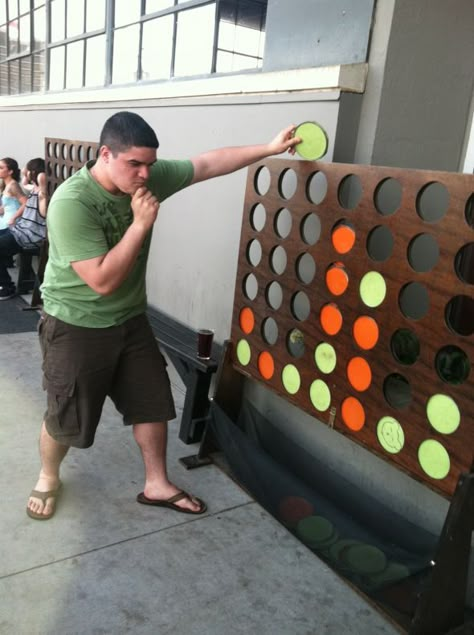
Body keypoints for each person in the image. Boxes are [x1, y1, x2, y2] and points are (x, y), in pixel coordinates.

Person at [26, 111, 301, 520]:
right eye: (133, 164)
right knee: (68, 418)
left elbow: (207, 164)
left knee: (152, 402)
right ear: (106, 154)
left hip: (131, 320)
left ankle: (156, 483)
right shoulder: (72, 203)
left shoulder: (147, 176)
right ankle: (49, 476)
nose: (143, 174)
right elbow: (102, 281)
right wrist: (139, 225)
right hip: (76, 324)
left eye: (150, 165)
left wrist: (269, 148)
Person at [0, 157, 47, 299]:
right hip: (20, 230)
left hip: (29, 236)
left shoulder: (42, 194)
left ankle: (7, 287)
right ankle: (6, 284)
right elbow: (25, 183)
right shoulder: (34, 189)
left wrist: (40, 177)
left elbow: (42, 192)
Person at [0, 157, 28, 232]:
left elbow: (26, 203)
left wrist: (13, 218)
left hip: (10, 224)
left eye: (1, 168)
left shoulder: (13, 185)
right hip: (4, 220)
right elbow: (7, 206)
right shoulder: (7, 185)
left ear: (10, 172)